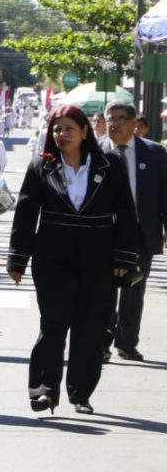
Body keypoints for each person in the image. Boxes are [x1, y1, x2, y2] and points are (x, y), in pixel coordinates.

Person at [7, 105, 139, 415]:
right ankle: (45, 390)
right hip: (52, 256)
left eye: (69, 128)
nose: (62, 135)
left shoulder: (110, 165)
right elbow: (25, 215)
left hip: (100, 258)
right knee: (53, 324)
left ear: (84, 132)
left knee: (91, 328)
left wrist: (124, 256)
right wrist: (17, 259)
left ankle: (81, 392)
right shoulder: (41, 166)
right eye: (57, 129)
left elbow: (127, 214)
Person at [101, 101, 167, 362]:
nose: (114, 124)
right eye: (110, 119)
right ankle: (102, 341)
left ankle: (127, 342)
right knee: (103, 289)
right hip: (103, 233)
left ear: (133, 123)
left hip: (140, 232)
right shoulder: (93, 150)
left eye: (120, 118)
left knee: (134, 288)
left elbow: (164, 193)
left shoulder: (154, 153)